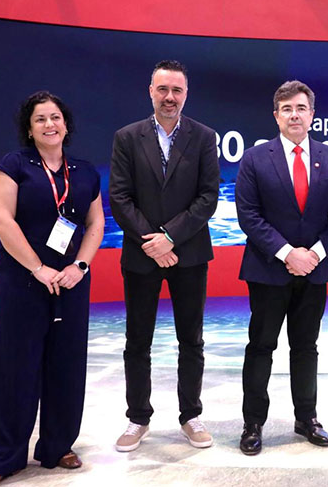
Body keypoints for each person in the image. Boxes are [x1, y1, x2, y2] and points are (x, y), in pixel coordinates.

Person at [0, 91, 104, 487]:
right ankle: (3, 458)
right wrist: (39, 268)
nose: (50, 124)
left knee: (66, 366)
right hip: (23, 282)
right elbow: (2, 221)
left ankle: (57, 445)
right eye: (40, 119)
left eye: (56, 117)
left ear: (66, 124)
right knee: (17, 368)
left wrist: (80, 265)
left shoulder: (83, 172)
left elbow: (95, 224)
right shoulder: (13, 166)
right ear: (29, 130)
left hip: (70, 283)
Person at [234, 80, 328, 455]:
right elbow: (249, 217)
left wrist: (313, 253)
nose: (294, 115)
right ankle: (253, 423)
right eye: (286, 109)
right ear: (276, 115)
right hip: (268, 270)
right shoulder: (255, 158)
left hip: (315, 270)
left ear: (312, 114)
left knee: (306, 347)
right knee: (261, 347)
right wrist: (288, 253)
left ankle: (307, 418)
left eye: (301, 108)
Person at [109, 60, 220, 451]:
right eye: (163, 89)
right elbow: (119, 197)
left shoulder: (205, 137)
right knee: (137, 341)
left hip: (188, 255)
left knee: (191, 340)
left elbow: (208, 197)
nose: (169, 97)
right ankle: (137, 418)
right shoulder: (127, 137)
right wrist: (150, 242)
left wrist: (170, 237)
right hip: (141, 257)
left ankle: (191, 415)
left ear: (186, 94)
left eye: (177, 90)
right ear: (150, 91)